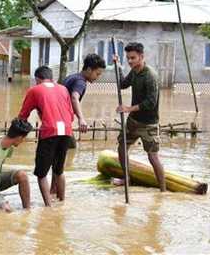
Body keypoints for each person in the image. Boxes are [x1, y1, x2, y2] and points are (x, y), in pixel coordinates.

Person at [113, 42, 166, 192]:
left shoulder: (150, 76)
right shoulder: (134, 72)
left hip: (149, 124)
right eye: (128, 58)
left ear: (141, 57)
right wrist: (118, 66)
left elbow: (150, 102)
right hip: (133, 121)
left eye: (133, 58)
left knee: (153, 157)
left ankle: (163, 191)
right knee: (122, 148)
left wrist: (128, 108)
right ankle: (127, 179)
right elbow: (123, 84)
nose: (130, 61)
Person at [18, 66, 74, 206]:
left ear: (37, 79)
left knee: (41, 174)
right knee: (59, 170)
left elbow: (23, 115)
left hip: (49, 131)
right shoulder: (63, 89)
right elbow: (71, 115)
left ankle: (48, 207)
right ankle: (62, 203)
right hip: (67, 130)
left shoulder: (35, 90)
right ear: (51, 77)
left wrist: (18, 131)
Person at [50, 54, 106, 194]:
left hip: (56, 120)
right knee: (61, 160)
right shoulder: (80, 82)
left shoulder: (72, 77)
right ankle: (57, 196)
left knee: (60, 156)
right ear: (88, 69)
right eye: (97, 73)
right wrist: (81, 118)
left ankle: (52, 189)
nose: (97, 77)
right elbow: (75, 97)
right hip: (61, 123)